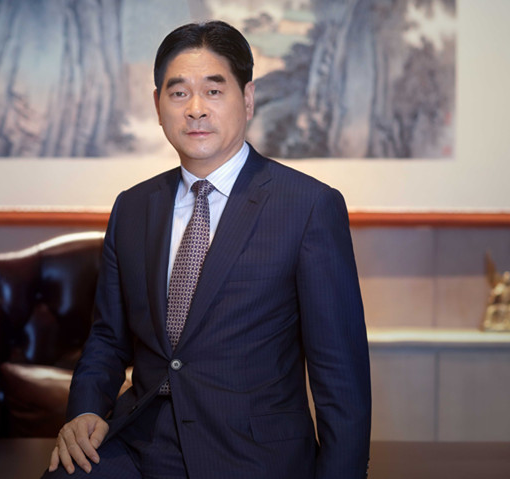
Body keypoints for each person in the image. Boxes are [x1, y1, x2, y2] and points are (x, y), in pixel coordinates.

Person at [43, 20, 371, 479]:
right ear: (158, 106)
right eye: (179, 93)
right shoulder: (133, 207)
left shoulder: (308, 206)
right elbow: (108, 339)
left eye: (214, 92)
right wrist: (84, 411)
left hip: (253, 455)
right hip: (142, 444)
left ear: (248, 99)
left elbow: (340, 374)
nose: (195, 110)